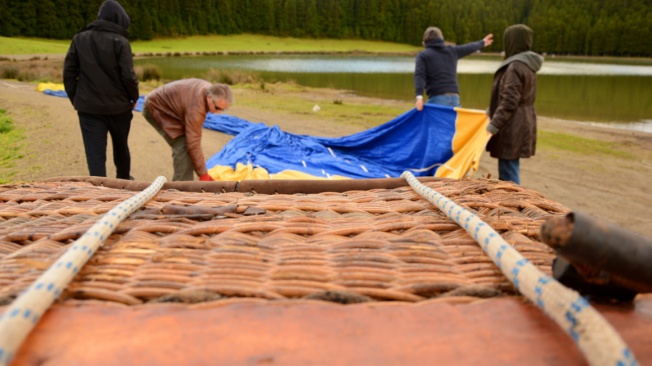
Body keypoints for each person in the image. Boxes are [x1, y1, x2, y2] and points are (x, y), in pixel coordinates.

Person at [63, 0, 139, 180]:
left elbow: (68, 74)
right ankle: (124, 182)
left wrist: (77, 99)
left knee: (94, 153)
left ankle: (99, 190)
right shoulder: (121, 42)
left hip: (89, 109)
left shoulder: (79, 39)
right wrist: (134, 97)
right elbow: (128, 76)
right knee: (121, 147)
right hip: (119, 108)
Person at [142, 79, 234, 181]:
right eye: (217, 108)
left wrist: (202, 171)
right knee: (182, 146)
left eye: (223, 109)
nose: (219, 113)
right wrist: (203, 175)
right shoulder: (196, 109)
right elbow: (193, 143)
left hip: (173, 108)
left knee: (189, 146)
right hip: (157, 108)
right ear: (209, 97)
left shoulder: (210, 91)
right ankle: (180, 189)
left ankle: (184, 184)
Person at [486, 24, 544, 185]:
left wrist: (493, 125)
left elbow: (509, 101)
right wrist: (490, 110)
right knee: (510, 167)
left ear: (512, 42)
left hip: (512, 126)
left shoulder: (515, 66)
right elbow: (513, 96)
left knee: (508, 174)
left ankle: (513, 206)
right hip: (521, 122)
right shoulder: (526, 64)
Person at [415, 27, 493, 109]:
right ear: (441, 39)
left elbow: (419, 75)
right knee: (453, 122)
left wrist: (419, 97)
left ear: (425, 41)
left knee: (426, 119)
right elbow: (468, 47)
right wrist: (482, 42)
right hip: (455, 98)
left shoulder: (423, 55)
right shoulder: (452, 51)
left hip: (437, 98)